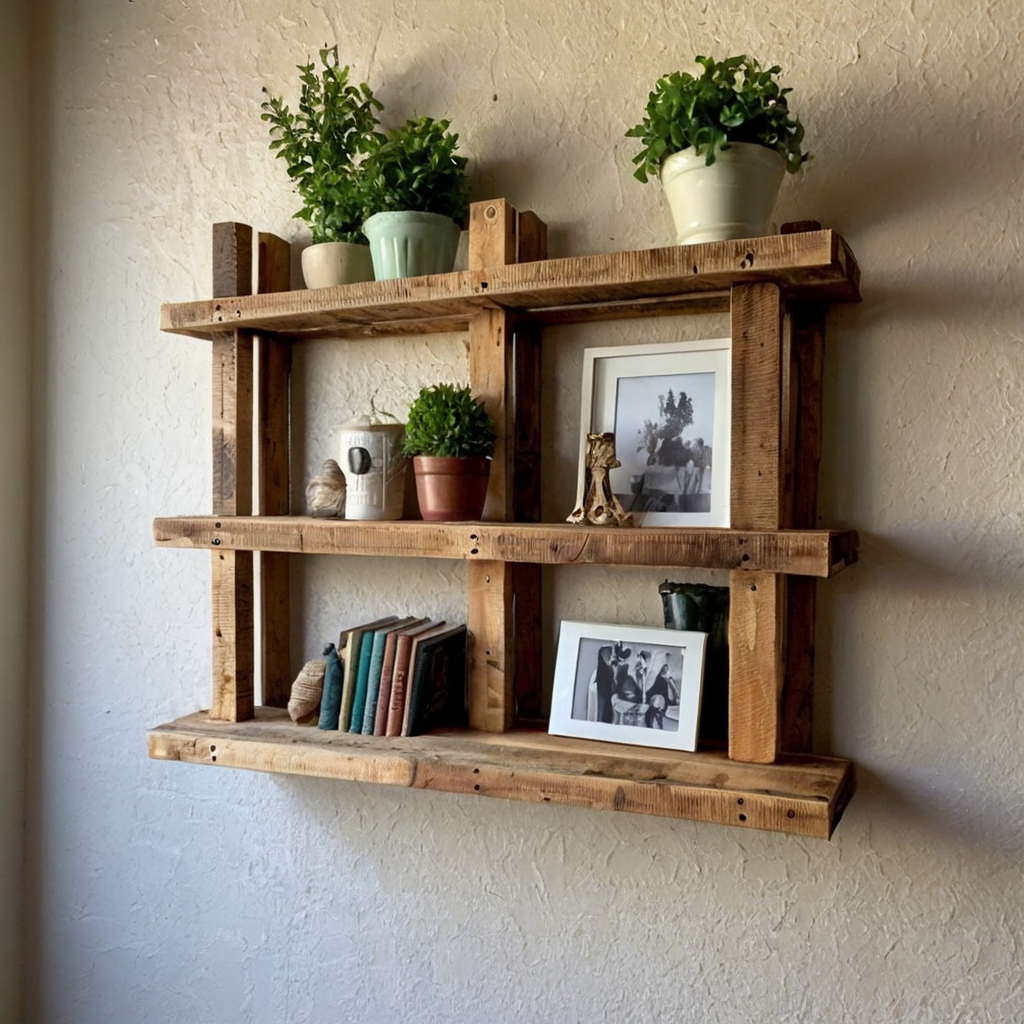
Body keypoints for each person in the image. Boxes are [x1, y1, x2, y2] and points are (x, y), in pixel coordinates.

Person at [645, 653, 680, 729]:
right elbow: (668, 698)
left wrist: (670, 683)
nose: (668, 673)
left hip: (662, 706)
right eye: (667, 672)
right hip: (658, 704)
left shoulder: (666, 681)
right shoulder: (661, 680)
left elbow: (673, 698)